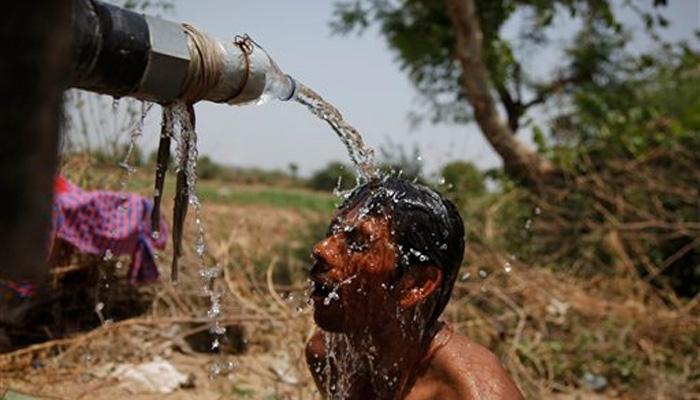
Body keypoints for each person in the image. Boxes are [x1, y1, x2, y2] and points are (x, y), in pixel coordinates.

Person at [306, 177, 523, 399]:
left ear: (416, 285)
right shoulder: (329, 355)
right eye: (333, 232)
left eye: (359, 242)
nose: (321, 249)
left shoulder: (473, 391)